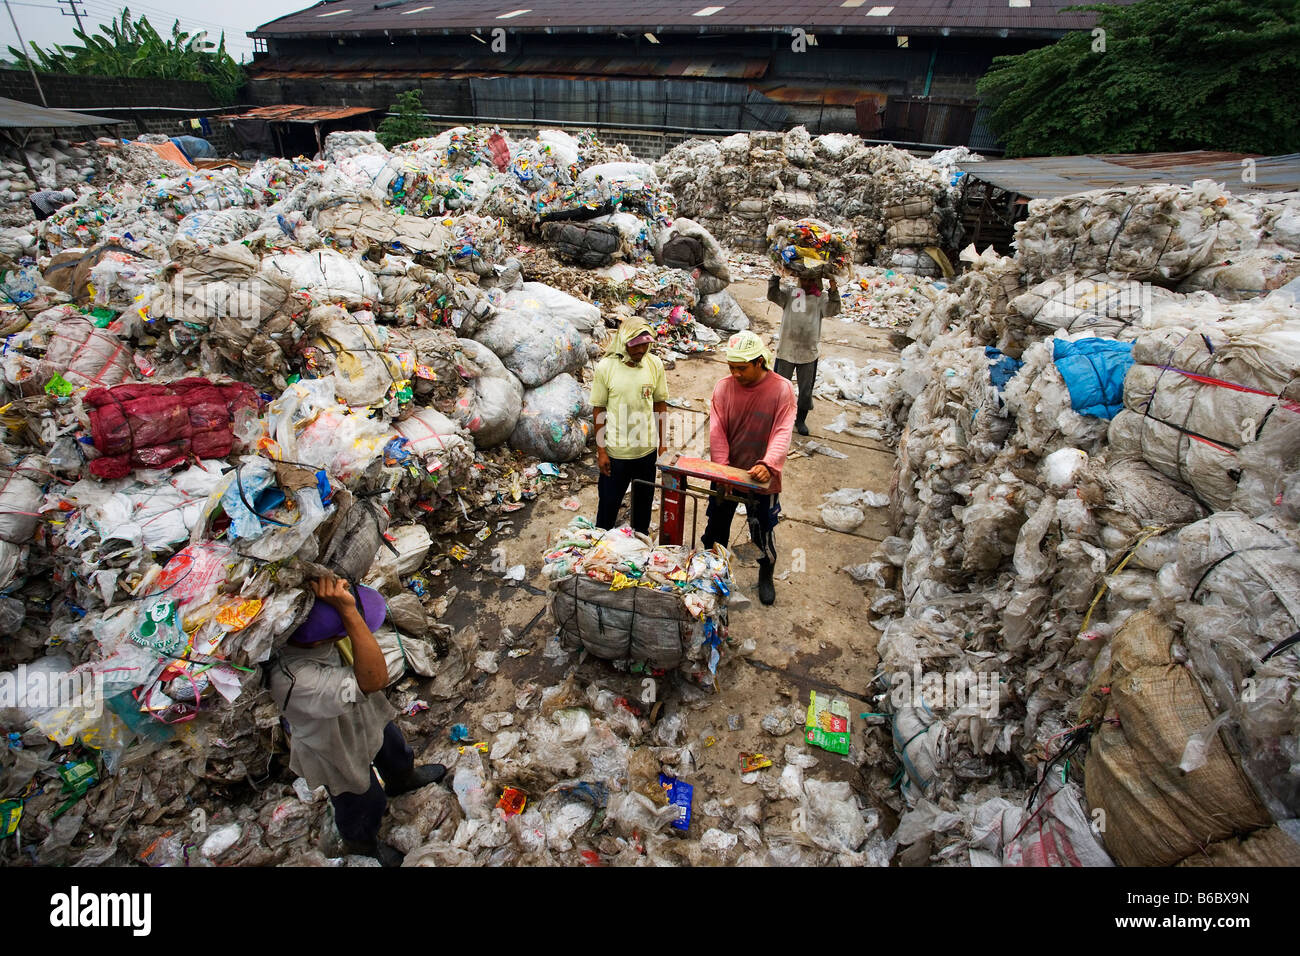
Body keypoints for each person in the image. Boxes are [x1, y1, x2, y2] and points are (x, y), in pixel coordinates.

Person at [268, 575, 446, 866]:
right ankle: (362, 843)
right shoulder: (293, 678)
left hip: (360, 708)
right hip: (331, 738)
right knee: (360, 796)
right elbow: (374, 679)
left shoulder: (309, 632)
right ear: (323, 638)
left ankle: (402, 779)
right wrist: (349, 613)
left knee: (391, 747)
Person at [701, 331, 796, 606]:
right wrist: (723, 470)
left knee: (761, 530)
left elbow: (782, 431)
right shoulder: (723, 387)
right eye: (731, 368)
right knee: (716, 526)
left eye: (742, 368)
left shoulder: (781, 389)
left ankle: (765, 573)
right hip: (727, 471)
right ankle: (712, 573)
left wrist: (769, 464)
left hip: (762, 476)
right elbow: (717, 430)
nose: (736, 374)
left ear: (759, 362)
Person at [591, 318, 669, 535]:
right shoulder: (606, 368)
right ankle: (600, 549)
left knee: (642, 511)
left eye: (645, 344)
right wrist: (601, 451)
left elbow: (660, 405)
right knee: (607, 509)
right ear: (624, 342)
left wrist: (662, 446)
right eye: (636, 344)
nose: (641, 349)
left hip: (646, 452)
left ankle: (638, 549)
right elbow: (599, 410)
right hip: (616, 454)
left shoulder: (654, 364)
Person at [768, 271, 840, 435]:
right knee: (779, 388)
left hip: (808, 352)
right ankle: (777, 419)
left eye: (811, 280)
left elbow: (833, 310)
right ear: (799, 279)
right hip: (786, 349)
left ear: (816, 280)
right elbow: (773, 294)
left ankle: (800, 420)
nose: (807, 283)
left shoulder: (820, 298)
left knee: (806, 391)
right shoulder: (790, 293)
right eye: (804, 279)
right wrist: (776, 275)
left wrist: (834, 290)